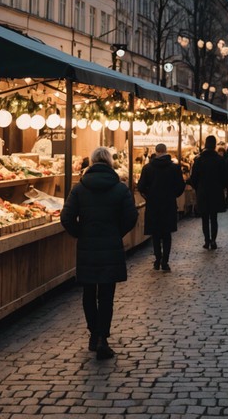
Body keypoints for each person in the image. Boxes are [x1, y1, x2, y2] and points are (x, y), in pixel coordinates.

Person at [60, 146, 138, 360]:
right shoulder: (120, 188)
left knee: (88, 293)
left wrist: (81, 234)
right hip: (110, 248)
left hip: (87, 248)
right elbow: (132, 217)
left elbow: (66, 218)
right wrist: (116, 233)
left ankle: (94, 334)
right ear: (110, 162)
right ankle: (103, 338)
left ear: (92, 162)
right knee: (106, 296)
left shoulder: (80, 188)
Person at [136, 143, 185, 272]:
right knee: (167, 234)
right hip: (168, 204)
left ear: (156, 152)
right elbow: (180, 186)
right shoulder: (174, 168)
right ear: (166, 151)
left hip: (153, 204)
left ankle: (157, 259)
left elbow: (140, 187)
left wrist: (148, 195)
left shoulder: (147, 168)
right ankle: (165, 261)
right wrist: (173, 194)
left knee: (156, 234)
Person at [188, 135, 226, 250]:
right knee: (214, 218)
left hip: (203, 191)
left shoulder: (199, 159)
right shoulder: (219, 159)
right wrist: (221, 187)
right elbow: (224, 178)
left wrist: (197, 187)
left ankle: (206, 240)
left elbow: (193, 177)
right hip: (215, 192)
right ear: (214, 145)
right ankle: (213, 240)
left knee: (205, 218)